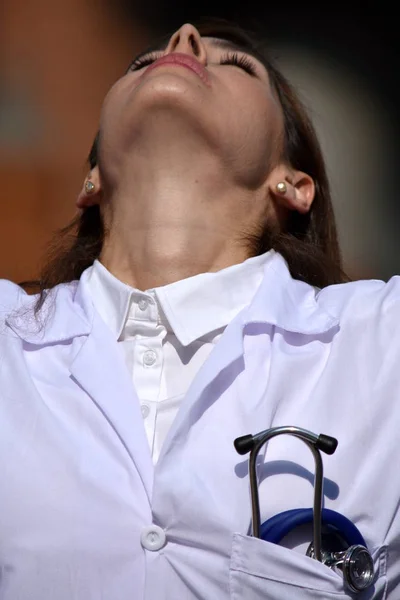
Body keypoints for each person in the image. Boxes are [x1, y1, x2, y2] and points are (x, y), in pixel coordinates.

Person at [0, 17, 398, 599]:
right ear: (89, 181)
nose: (183, 38)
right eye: (141, 62)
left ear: (293, 184)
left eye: (235, 64)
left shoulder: (381, 343)